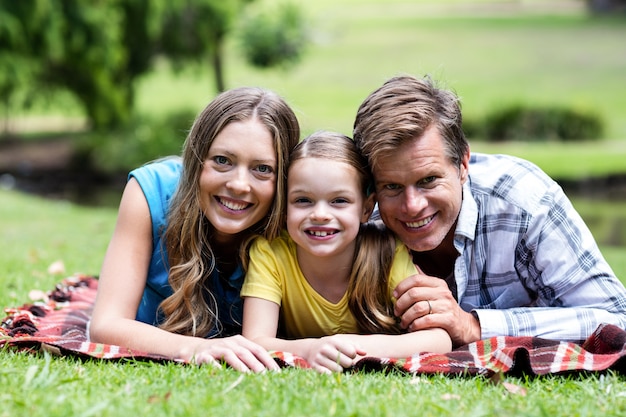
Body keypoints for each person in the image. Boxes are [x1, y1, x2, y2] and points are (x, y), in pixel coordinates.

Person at [352, 74, 626, 347]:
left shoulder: (525, 203)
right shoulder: (356, 219)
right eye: (392, 186)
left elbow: (617, 318)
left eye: (428, 180)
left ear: (462, 165)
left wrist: (473, 326)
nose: (413, 205)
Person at [89, 87, 300, 372]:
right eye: (222, 160)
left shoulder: (299, 219)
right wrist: (197, 348)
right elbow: (105, 325)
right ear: (196, 159)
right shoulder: (151, 191)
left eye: (262, 169)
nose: (239, 184)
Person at [241, 131, 452, 374]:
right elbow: (255, 341)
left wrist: (345, 348)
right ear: (284, 207)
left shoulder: (386, 250)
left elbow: (439, 339)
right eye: (303, 200)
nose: (320, 214)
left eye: (339, 201)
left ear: (366, 209)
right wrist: (311, 350)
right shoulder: (270, 253)